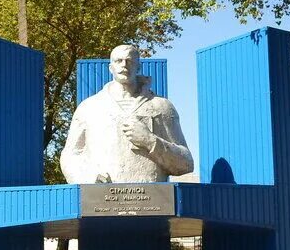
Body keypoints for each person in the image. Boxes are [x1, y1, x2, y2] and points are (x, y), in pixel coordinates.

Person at [60, 44, 193, 183]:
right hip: (102, 198)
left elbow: (186, 163)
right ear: (111, 68)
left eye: (130, 61)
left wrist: (149, 140)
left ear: (138, 67)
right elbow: (70, 156)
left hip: (152, 200)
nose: (124, 65)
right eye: (119, 61)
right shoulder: (89, 108)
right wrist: (88, 177)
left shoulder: (161, 106)